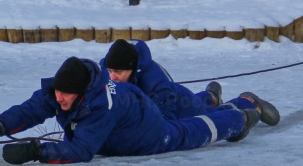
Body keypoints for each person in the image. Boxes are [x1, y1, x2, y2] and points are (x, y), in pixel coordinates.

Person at [0, 56, 266, 165]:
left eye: (66, 95)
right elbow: (33, 108)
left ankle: (240, 117)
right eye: (57, 92)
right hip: (132, 109)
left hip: (146, 133)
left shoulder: (99, 107)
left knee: (192, 131)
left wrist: (36, 152)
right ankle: (218, 100)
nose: (59, 98)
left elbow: (83, 149)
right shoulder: (64, 89)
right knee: (194, 110)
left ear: (82, 92)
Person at [102, 39, 281, 125]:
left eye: (118, 72)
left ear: (133, 69)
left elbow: (164, 122)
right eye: (110, 71)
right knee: (195, 102)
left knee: (208, 114)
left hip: (178, 104)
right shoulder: (106, 69)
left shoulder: (155, 82)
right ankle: (211, 96)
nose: (112, 77)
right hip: (173, 98)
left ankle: (246, 101)